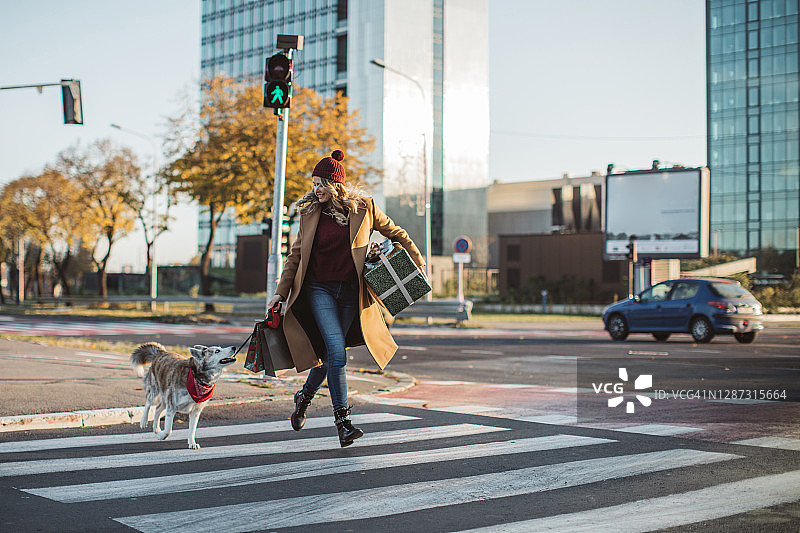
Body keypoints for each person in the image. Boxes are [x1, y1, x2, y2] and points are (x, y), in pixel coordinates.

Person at [267, 149, 425, 447]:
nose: (316, 190)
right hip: (318, 290)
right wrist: (280, 293)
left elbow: (397, 233)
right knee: (337, 353)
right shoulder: (309, 211)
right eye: (313, 184)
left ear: (335, 184)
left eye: (321, 184)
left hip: (350, 292)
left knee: (331, 357)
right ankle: (343, 422)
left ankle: (304, 396)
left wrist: (417, 263)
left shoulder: (364, 208)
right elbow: (296, 256)